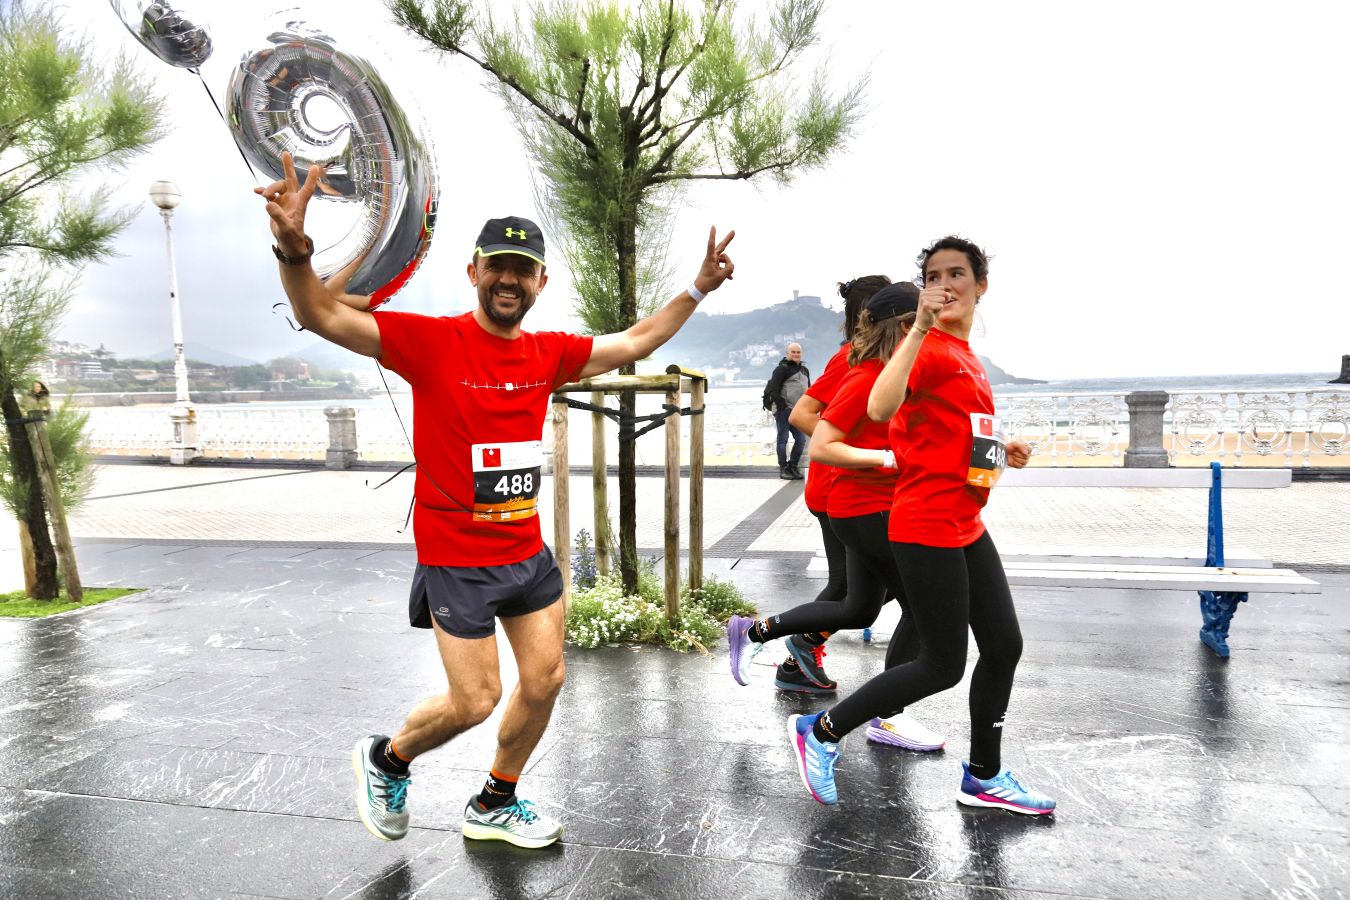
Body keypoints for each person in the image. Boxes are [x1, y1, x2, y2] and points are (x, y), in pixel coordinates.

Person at [256, 151, 735, 847]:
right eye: (498, 265)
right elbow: (321, 314)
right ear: (474, 272)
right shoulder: (430, 341)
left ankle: (494, 800)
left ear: (540, 281)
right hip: (456, 557)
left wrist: (695, 288)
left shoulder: (547, 352)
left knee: (546, 681)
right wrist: (293, 249)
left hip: (525, 552)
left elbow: (636, 339)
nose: (509, 278)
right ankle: (387, 758)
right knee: (474, 700)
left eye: (523, 269)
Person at [787, 236, 1055, 816]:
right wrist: (916, 329)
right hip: (926, 524)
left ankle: (984, 777)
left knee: (1004, 645)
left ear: (981, 284)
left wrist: (999, 449)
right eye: (935, 276)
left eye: (958, 274)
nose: (947, 284)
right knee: (940, 664)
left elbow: (944, 432)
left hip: (965, 520)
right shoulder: (927, 347)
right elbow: (883, 408)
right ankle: (822, 731)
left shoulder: (965, 356)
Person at [727, 283, 943, 753]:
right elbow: (816, 427)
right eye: (922, 319)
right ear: (903, 325)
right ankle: (882, 716)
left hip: (865, 502)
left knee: (860, 605)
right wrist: (887, 457)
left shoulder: (890, 366)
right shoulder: (861, 369)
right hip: (857, 501)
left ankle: (759, 632)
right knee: (915, 607)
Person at [773, 275, 890, 694]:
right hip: (836, 489)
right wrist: (848, 444)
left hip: (855, 489)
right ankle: (796, 652)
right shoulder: (851, 358)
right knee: (854, 591)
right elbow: (802, 415)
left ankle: (801, 650)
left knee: (870, 592)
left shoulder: (875, 355)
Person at [763, 343, 809, 479]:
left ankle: (792, 466)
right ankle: (783, 468)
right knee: (782, 439)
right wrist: (783, 407)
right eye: (793, 352)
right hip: (783, 410)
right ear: (787, 353)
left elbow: (810, 390)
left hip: (798, 411)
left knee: (801, 440)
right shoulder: (781, 369)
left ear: (801, 353)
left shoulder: (805, 371)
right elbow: (774, 390)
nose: (796, 354)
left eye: (798, 352)